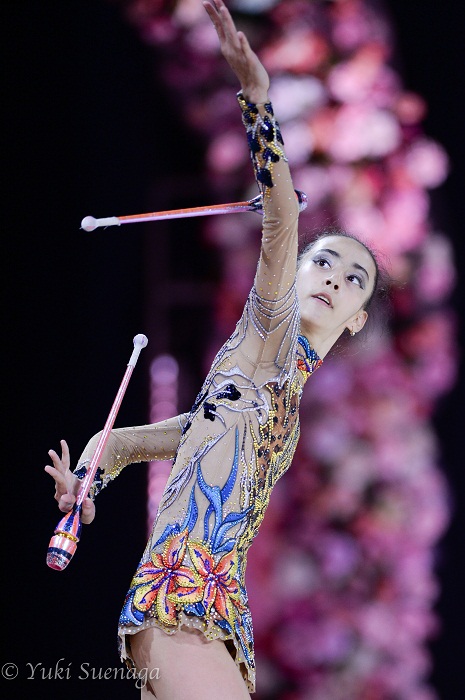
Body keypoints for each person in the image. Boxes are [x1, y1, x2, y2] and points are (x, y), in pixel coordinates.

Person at [45, 1, 382, 698]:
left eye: (354, 279)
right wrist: (256, 96)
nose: (333, 279)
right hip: (179, 603)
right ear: (293, 275)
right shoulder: (266, 331)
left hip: (219, 619)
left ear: (356, 321)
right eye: (322, 262)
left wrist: (86, 483)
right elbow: (282, 215)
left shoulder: (270, 394)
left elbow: (125, 443)